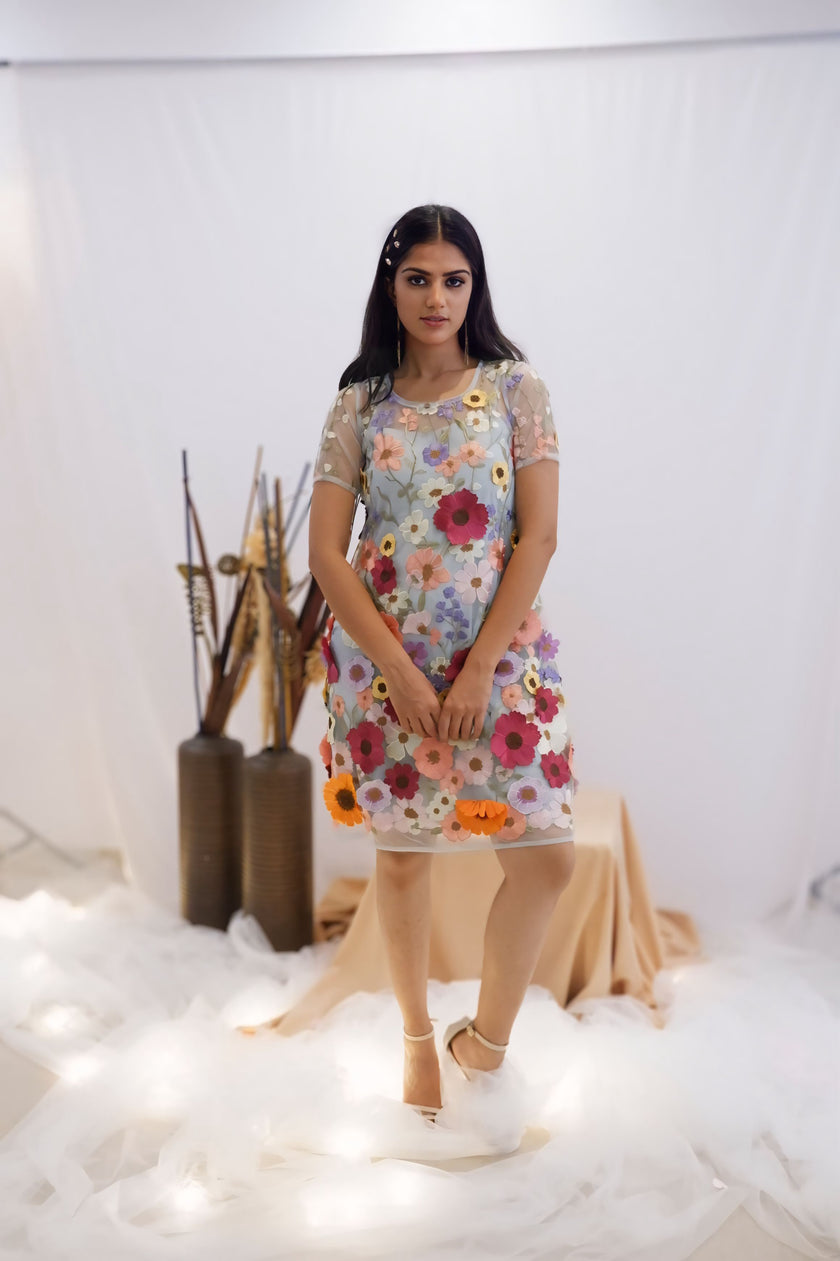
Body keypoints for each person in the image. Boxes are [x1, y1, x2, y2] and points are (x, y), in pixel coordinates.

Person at [314, 205, 578, 1122]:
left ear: (476, 287)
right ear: (392, 284)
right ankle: (419, 1041)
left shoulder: (517, 390)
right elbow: (326, 555)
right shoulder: (359, 402)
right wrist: (401, 673)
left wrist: (473, 672)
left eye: (454, 278)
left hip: (501, 663)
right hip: (386, 666)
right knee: (403, 860)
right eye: (418, 277)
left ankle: (486, 1041)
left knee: (547, 856)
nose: (436, 296)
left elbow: (538, 537)